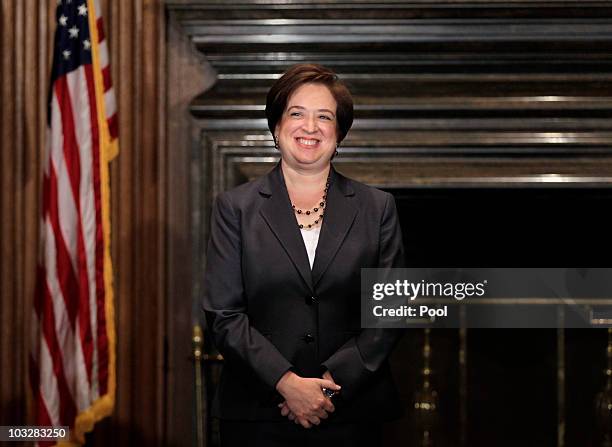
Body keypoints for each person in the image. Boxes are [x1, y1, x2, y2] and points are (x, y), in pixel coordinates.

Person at [202, 63, 405, 447]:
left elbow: (390, 311)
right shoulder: (235, 208)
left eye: (324, 117)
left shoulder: (377, 208)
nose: (310, 127)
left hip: (352, 409)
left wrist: (328, 385)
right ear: (276, 127)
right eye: (297, 113)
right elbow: (223, 314)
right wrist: (287, 383)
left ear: (339, 133)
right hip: (258, 412)